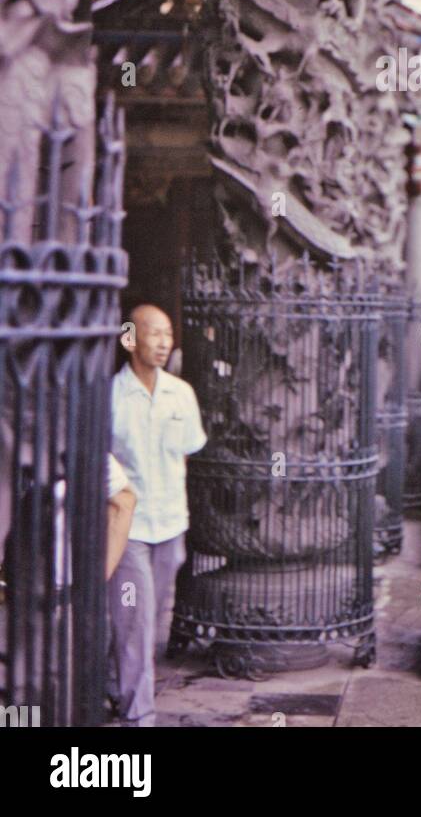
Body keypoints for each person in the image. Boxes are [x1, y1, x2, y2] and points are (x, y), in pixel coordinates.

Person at [108, 304, 206, 727]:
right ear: (131, 339)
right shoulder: (109, 396)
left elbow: (185, 451)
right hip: (129, 530)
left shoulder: (181, 394)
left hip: (170, 525)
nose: (164, 342)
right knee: (136, 624)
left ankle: (110, 685)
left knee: (145, 621)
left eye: (168, 333)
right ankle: (139, 717)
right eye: (154, 333)